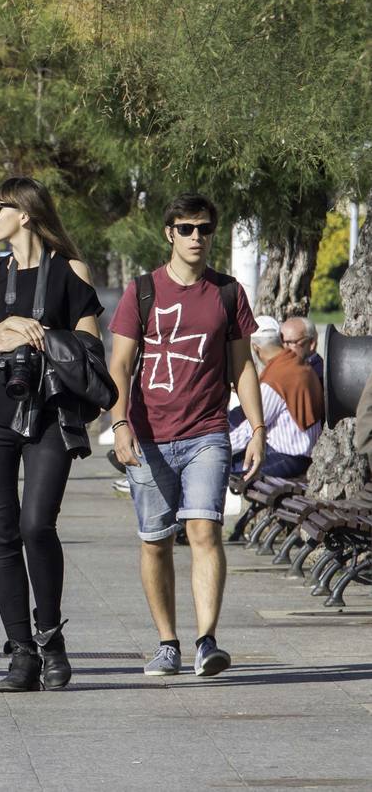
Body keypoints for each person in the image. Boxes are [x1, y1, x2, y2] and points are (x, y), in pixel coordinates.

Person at [107, 192, 263, 680]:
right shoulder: (142, 291)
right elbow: (120, 364)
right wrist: (118, 424)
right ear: (169, 234)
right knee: (156, 541)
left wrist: (257, 429)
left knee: (203, 530)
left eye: (205, 228)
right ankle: (167, 643)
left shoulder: (228, 293)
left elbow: (243, 368)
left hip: (207, 434)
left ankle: (206, 641)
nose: (198, 236)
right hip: (149, 435)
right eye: (188, 228)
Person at [0, 177, 104, 693]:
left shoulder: (70, 271)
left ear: (24, 213)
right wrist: (0, 332)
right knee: (1, 534)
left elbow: (90, 346)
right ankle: (20, 652)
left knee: (37, 524)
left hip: (50, 414)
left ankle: (50, 636)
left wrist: (41, 335)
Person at [228, 316, 323, 478]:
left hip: (288, 457)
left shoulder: (276, 379)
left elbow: (251, 429)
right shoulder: (297, 363)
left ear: (255, 348)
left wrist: (216, 448)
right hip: (301, 453)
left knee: (222, 465)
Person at [281, 316, 323, 382]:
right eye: (282, 342)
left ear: (311, 343)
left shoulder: (317, 375)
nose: (285, 348)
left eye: (290, 342)